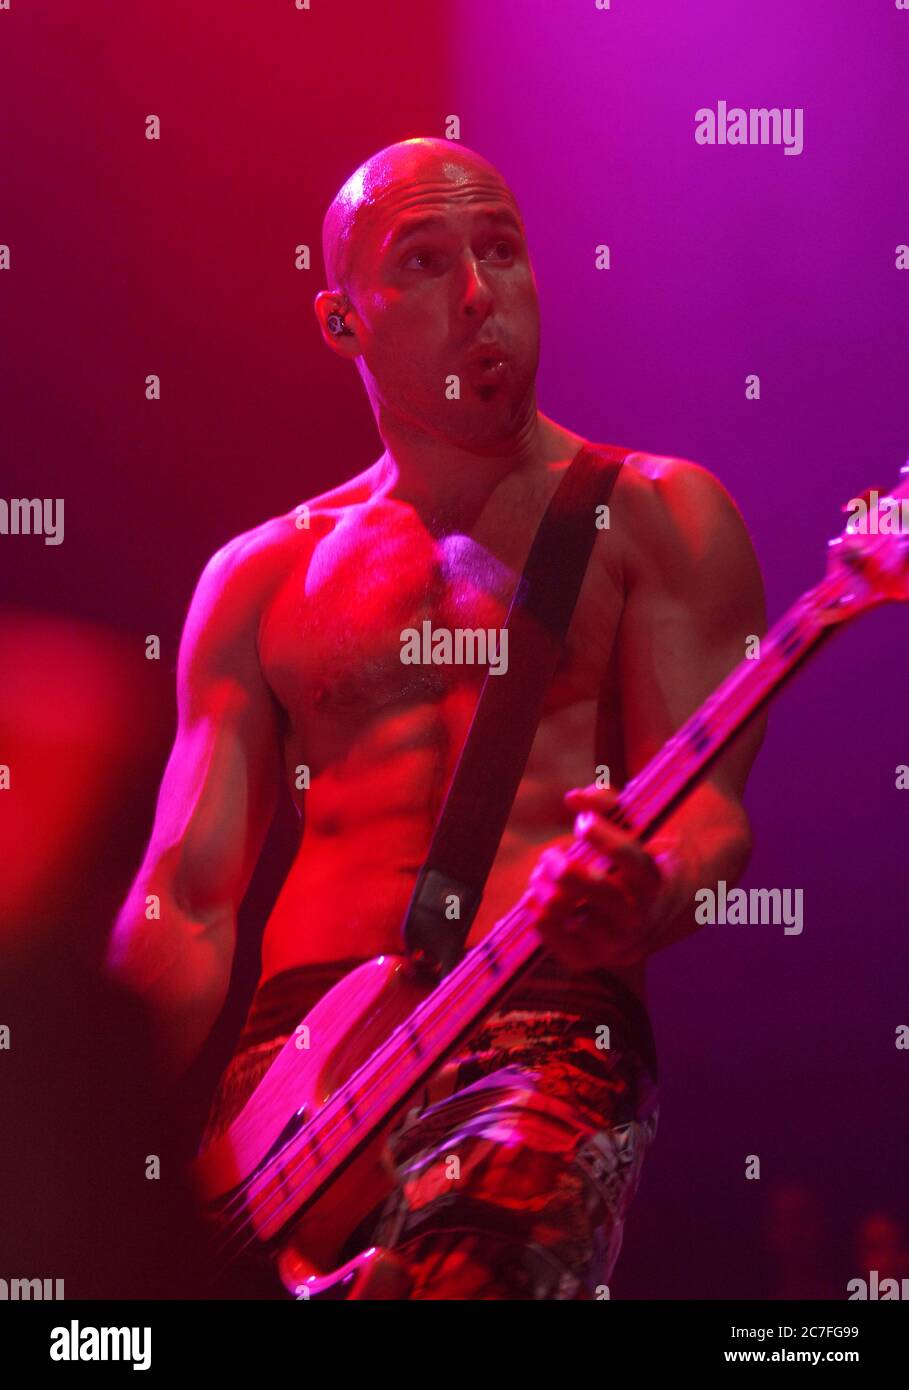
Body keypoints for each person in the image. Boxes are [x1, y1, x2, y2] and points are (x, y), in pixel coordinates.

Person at [106, 136, 767, 1299]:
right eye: (422, 261)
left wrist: (641, 896)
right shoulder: (260, 577)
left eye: (501, 251)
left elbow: (707, 818)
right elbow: (190, 899)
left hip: (535, 1024)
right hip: (287, 1072)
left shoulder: (658, 513)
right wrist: (73, 1095)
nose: (478, 296)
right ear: (340, 321)